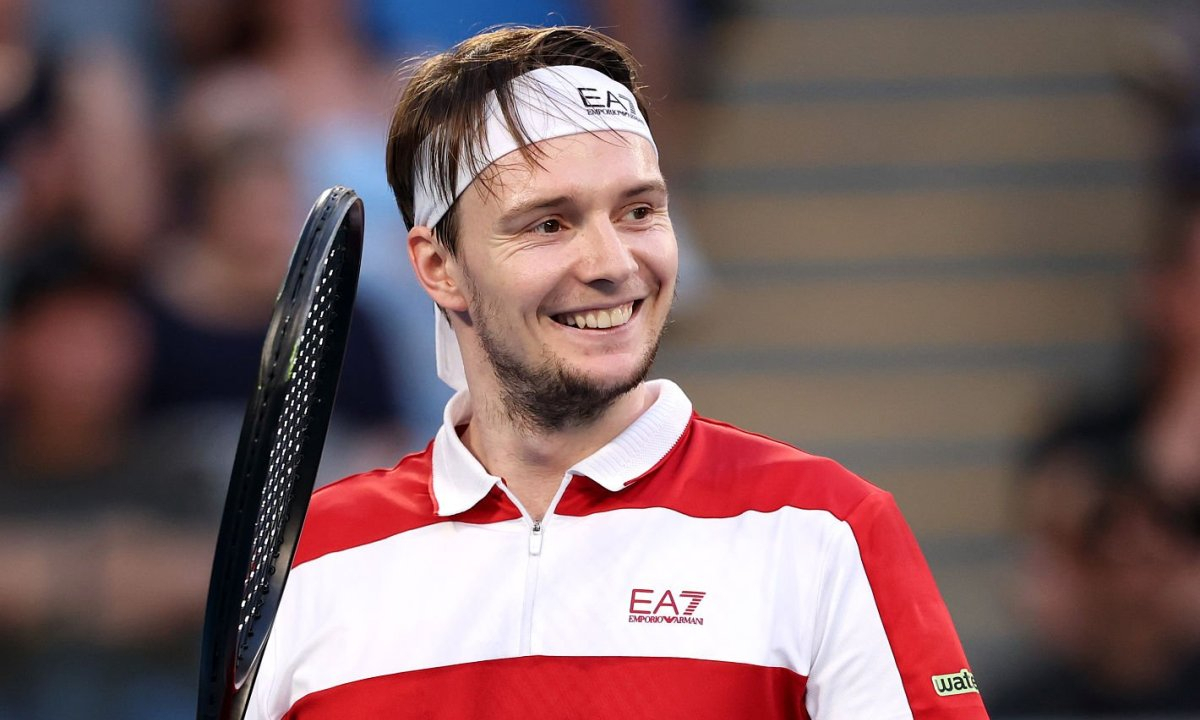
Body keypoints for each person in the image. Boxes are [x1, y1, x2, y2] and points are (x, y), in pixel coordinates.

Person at [247, 26, 989, 719]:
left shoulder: (825, 529)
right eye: (549, 223)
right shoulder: (309, 560)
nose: (611, 263)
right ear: (440, 268)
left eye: (638, 212)